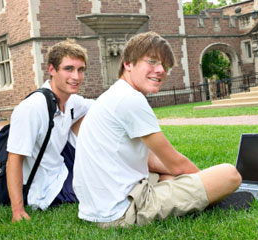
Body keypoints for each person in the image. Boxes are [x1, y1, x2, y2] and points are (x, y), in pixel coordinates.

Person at [73, 31, 243, 227]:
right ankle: (210, 201)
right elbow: (176, 163)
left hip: (96, 208)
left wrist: (188, 179)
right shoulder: (130, 99)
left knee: (168, 177)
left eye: (165, 65)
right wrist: (209, 185)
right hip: (120, 212)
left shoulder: (114, 95)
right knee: (229, 174)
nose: (161, 70)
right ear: (128, 63)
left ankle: (197, 196)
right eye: (152, 61)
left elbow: (154, 162)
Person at [6, 39, 93, 223]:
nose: (76, 77)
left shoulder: (72, 101)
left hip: (62, 165)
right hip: (45, 184)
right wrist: (17, 210)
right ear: (52, 70)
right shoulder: (31, 108)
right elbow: (14, 159)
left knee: (96, 116)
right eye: (68, 69)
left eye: (80, 70)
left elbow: (102, 107)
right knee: (99, 189)